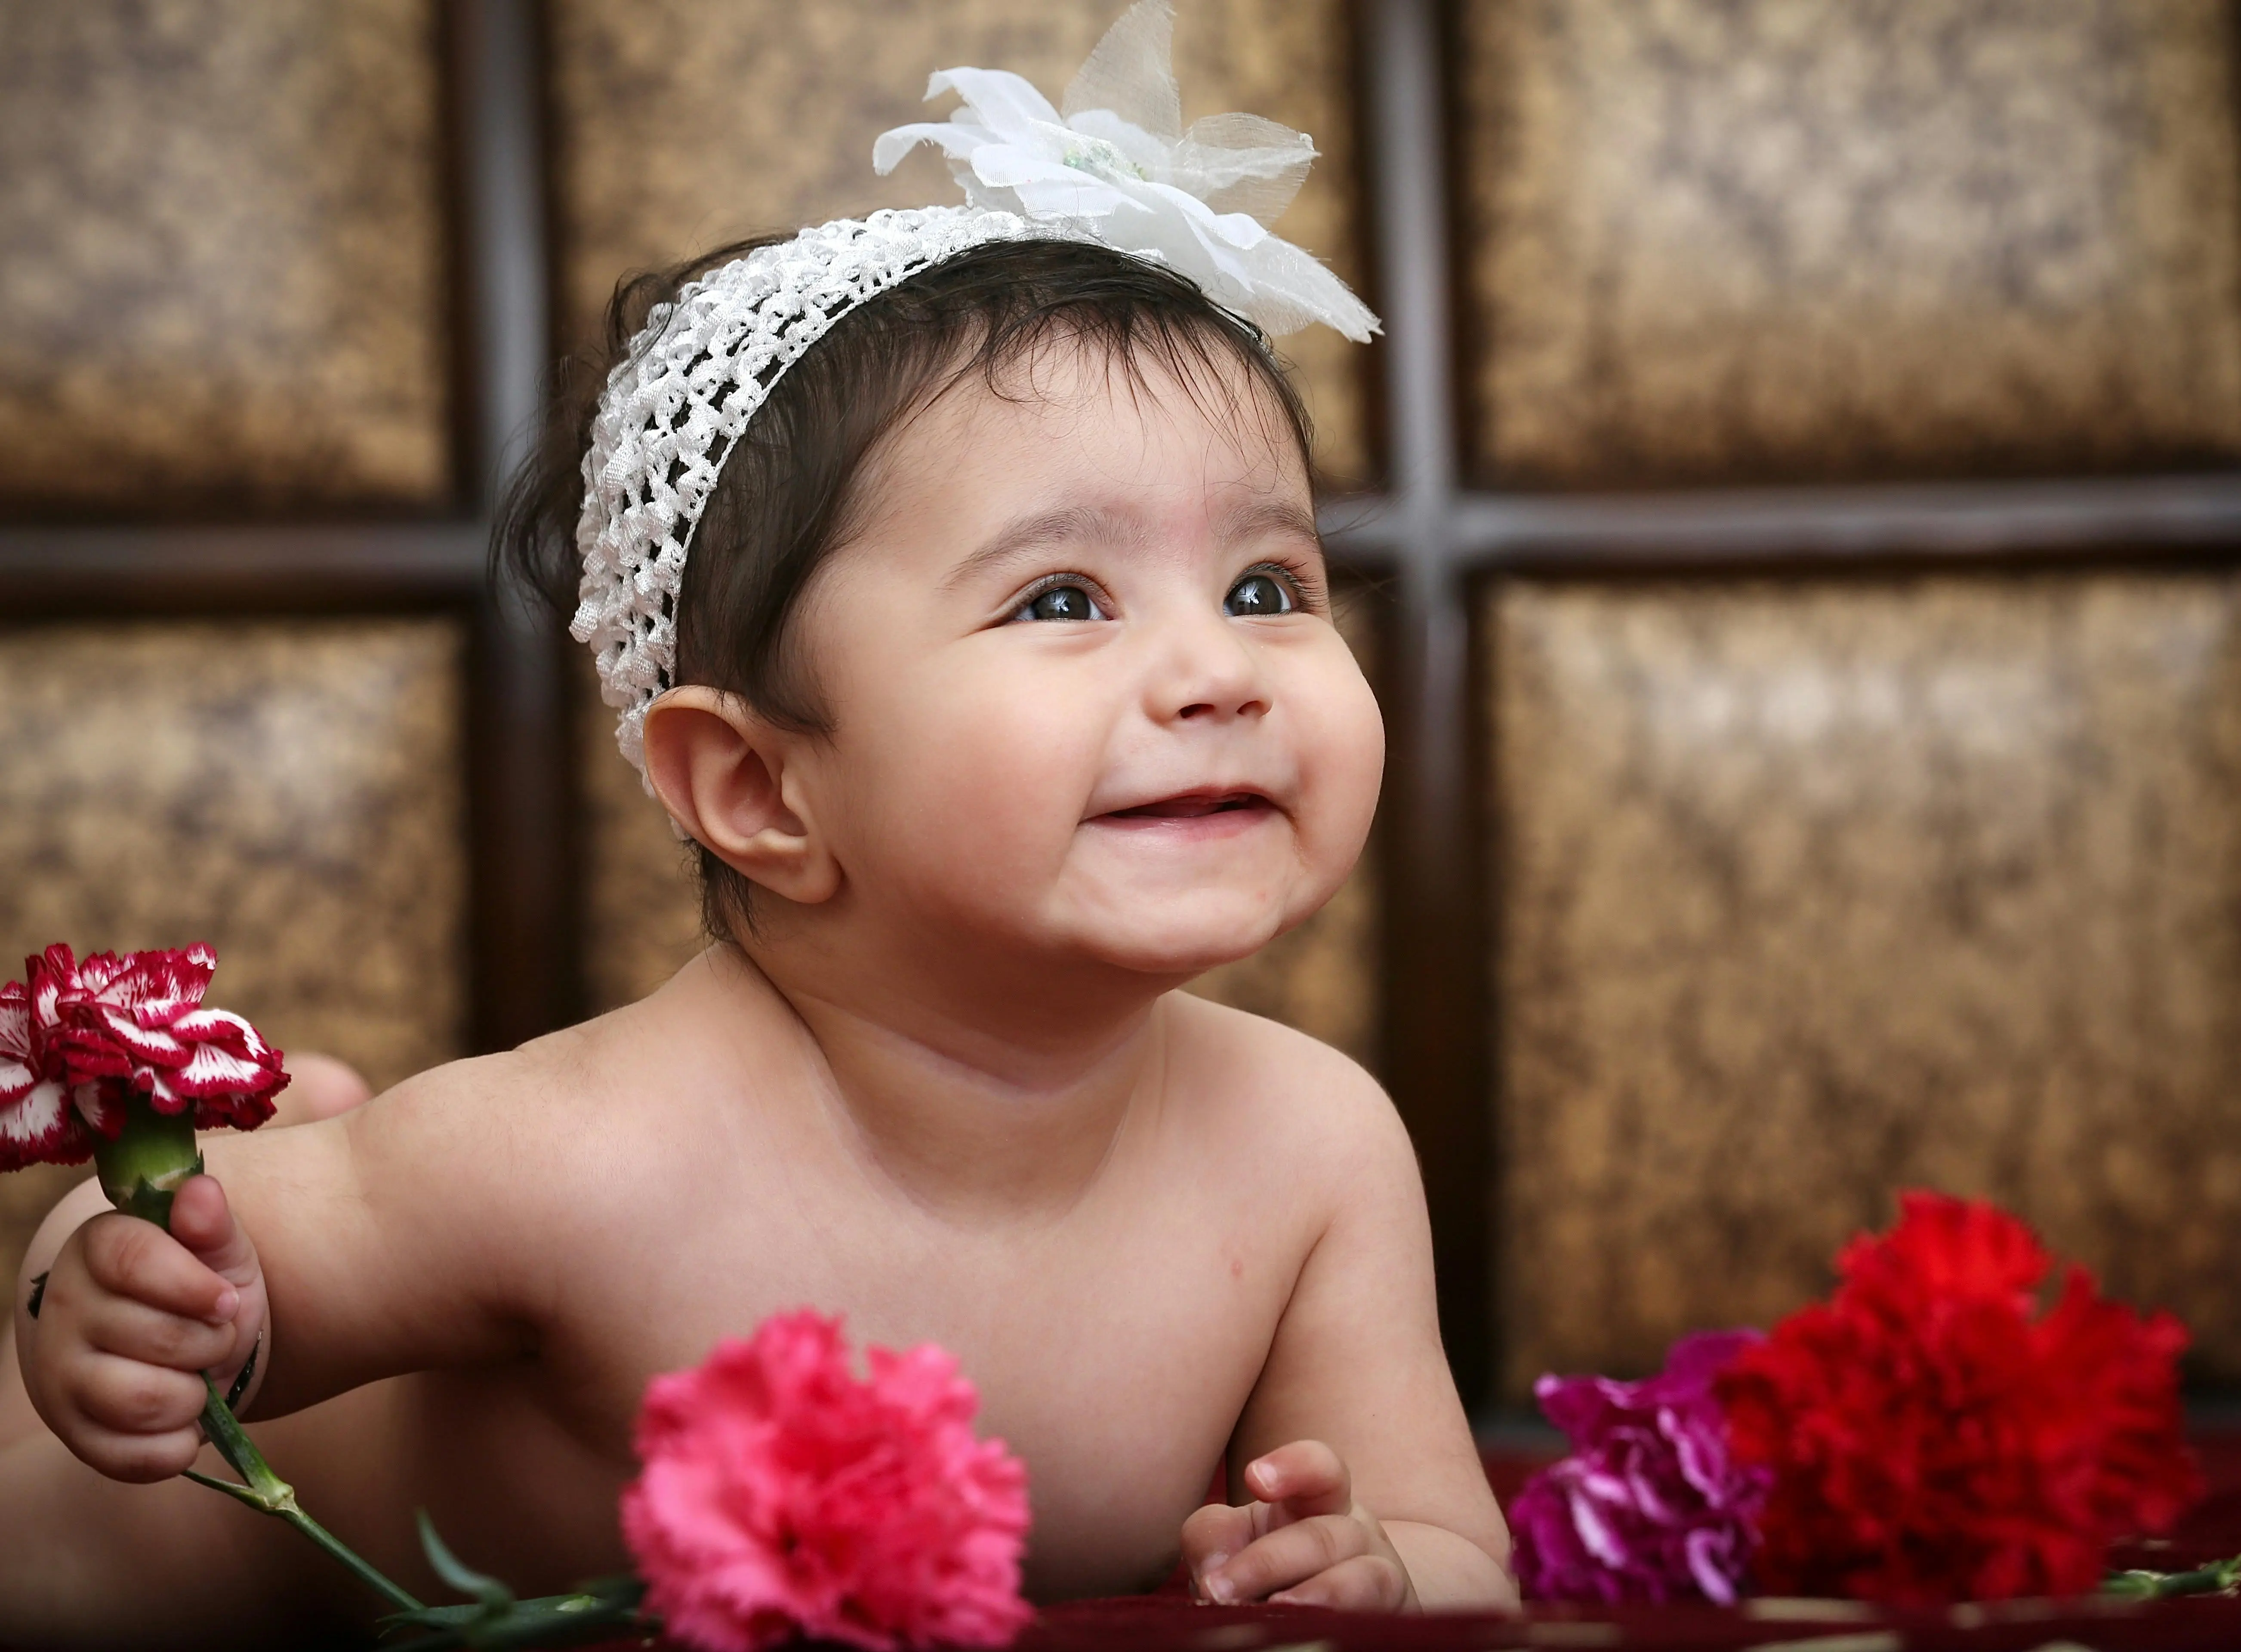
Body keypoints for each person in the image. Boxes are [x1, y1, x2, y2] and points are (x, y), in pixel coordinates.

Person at [0, 8, 1513, 1641]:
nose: (1218, 667)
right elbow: (168, 1251)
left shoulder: (1312, 1150)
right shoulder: (583, 1156)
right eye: (1064, 596)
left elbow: (1450, 1542)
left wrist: (1379, 1564)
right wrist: (112, 1295)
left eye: (1266, 585)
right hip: (128, 1559)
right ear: (760, 789)